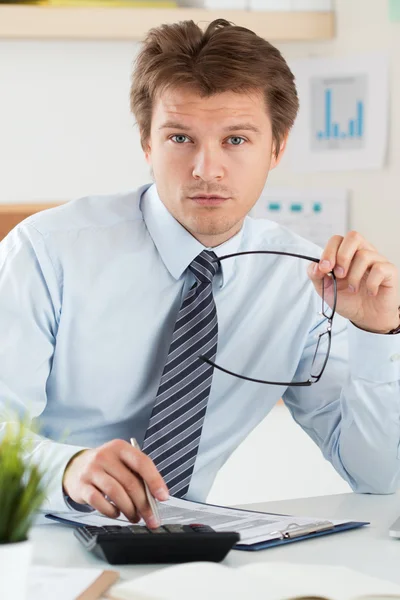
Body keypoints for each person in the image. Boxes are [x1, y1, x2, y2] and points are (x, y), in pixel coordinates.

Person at [1, 18, 399, 531]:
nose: (206, 169)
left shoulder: (305, 280)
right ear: (147, 144)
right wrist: (69, 470)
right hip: (35, 542)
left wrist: (375, 335)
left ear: (277, 148)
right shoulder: (47, 253)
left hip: (188, 558)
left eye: (236, 140)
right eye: (180, 137)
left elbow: (377, 475)